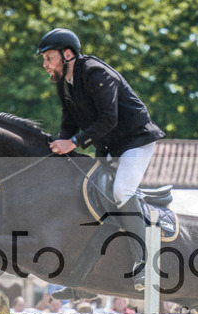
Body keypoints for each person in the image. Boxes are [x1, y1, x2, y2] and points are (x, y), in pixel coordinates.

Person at [36, 28, 165, 290]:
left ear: (68, 54)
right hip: (110, 147)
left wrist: (72, 143)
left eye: (49, 57)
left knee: (121, 190)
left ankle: (147, 264)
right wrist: (56, 150)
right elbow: (68, 124)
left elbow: (109, 119)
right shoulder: (66, 84)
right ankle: (82, 281)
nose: (45, 64)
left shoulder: (95, 73)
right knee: (90, 198)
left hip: (135, 141)